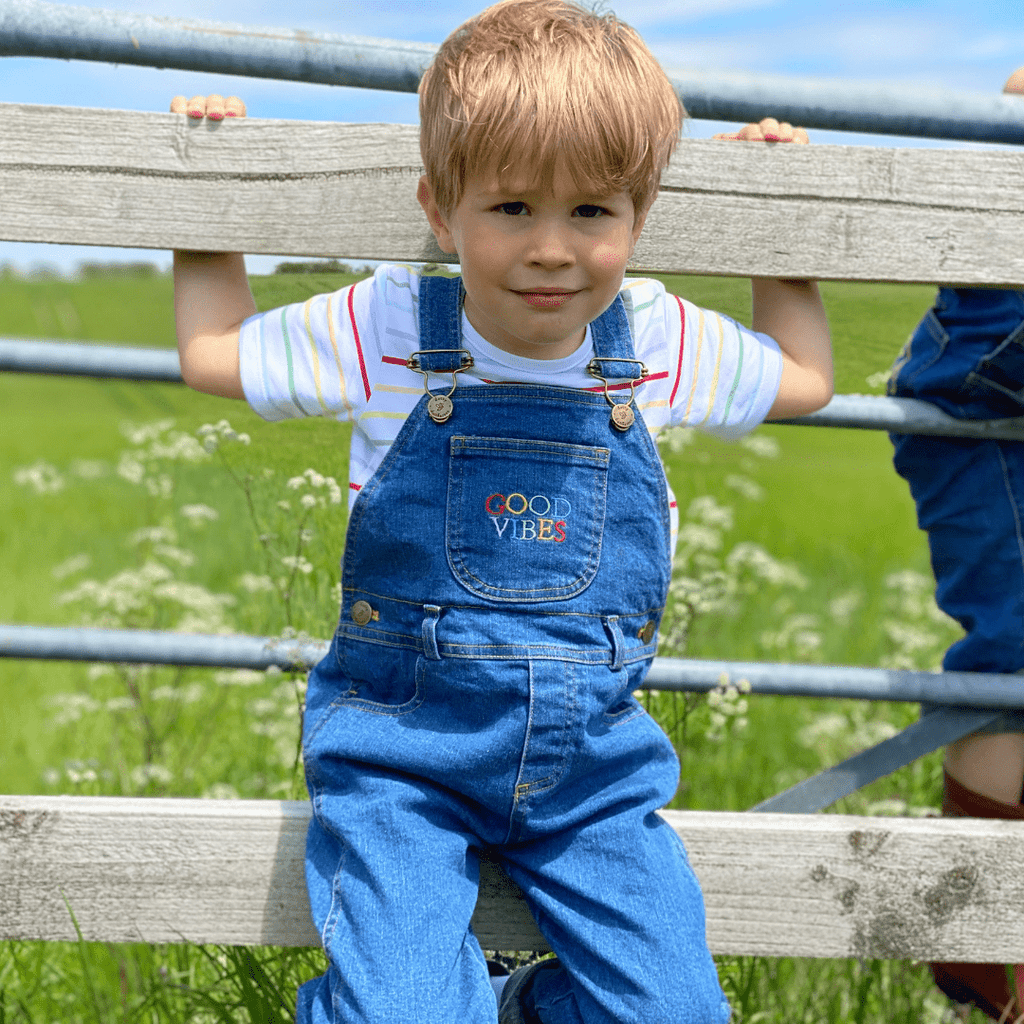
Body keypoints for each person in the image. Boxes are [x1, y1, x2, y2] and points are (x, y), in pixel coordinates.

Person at [172, 1, 832, 1020]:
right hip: (401, 756)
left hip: (591, 767)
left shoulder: (650, 335)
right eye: (512, 208)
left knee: (675, 1011)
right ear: (441, 210)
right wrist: (207, 191)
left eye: (592, 214)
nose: (552, 250)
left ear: (638, 214)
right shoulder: (392, 319)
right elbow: (214, 350)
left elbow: (802, 377)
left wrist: (773, 218)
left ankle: (522, 1005)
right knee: (402, 1012)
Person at [887, 66, 1024, 1024]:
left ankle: (980, 962)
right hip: (988, 383)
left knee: (1011, 666)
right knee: (1013, 662)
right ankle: (984, 961)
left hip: (987, 379)